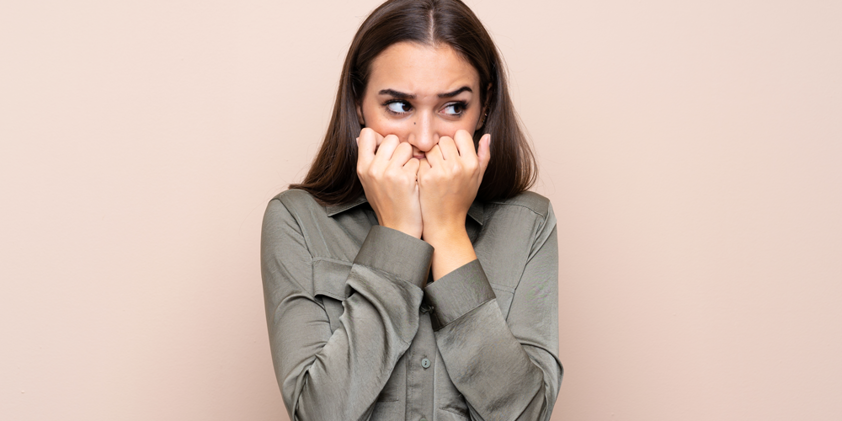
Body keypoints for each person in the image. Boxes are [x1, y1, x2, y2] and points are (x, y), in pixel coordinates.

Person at [260, 0, 562, 419]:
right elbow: (319, 413)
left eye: (453, 107)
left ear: (484, 107)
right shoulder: (296, 220)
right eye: (400, 106)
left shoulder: (529, 223)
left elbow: (526, 414)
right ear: (358, 103)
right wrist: (399, 233)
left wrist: (447, 232)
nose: (423, 138)